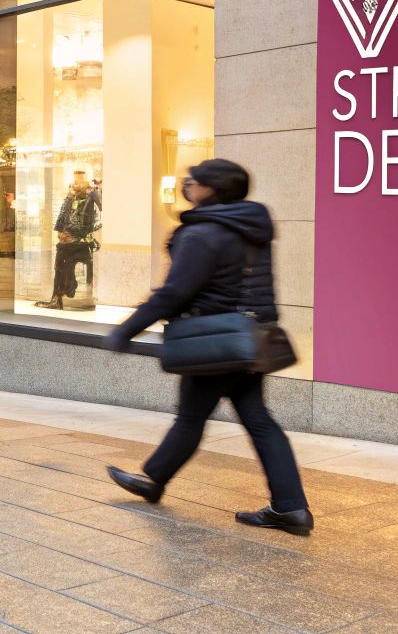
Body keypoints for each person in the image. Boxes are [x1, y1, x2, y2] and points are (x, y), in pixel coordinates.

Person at [102, 159, 313, 537]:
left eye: (192, 180)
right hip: (243, 338)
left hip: (213, 341)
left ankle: (155, 480)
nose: (186, 184)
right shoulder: (249, 225)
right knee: (252, 420)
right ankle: (289, 506)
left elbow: (176, 292)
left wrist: (127, 330)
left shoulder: (204, 233)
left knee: (195, 417)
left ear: (209, 189)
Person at [39, 172, 99, 310]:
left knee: (63, 263)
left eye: (77, 183)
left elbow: (89, 222)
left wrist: (71, 233)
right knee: (60, 265)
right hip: (69, 242)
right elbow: (63, 217)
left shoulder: (88, 199)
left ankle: (62, 294)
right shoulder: (70, 199)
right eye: (73, 182)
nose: (74, 185)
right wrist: (61, 231)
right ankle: (58, 296)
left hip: (81, 244)